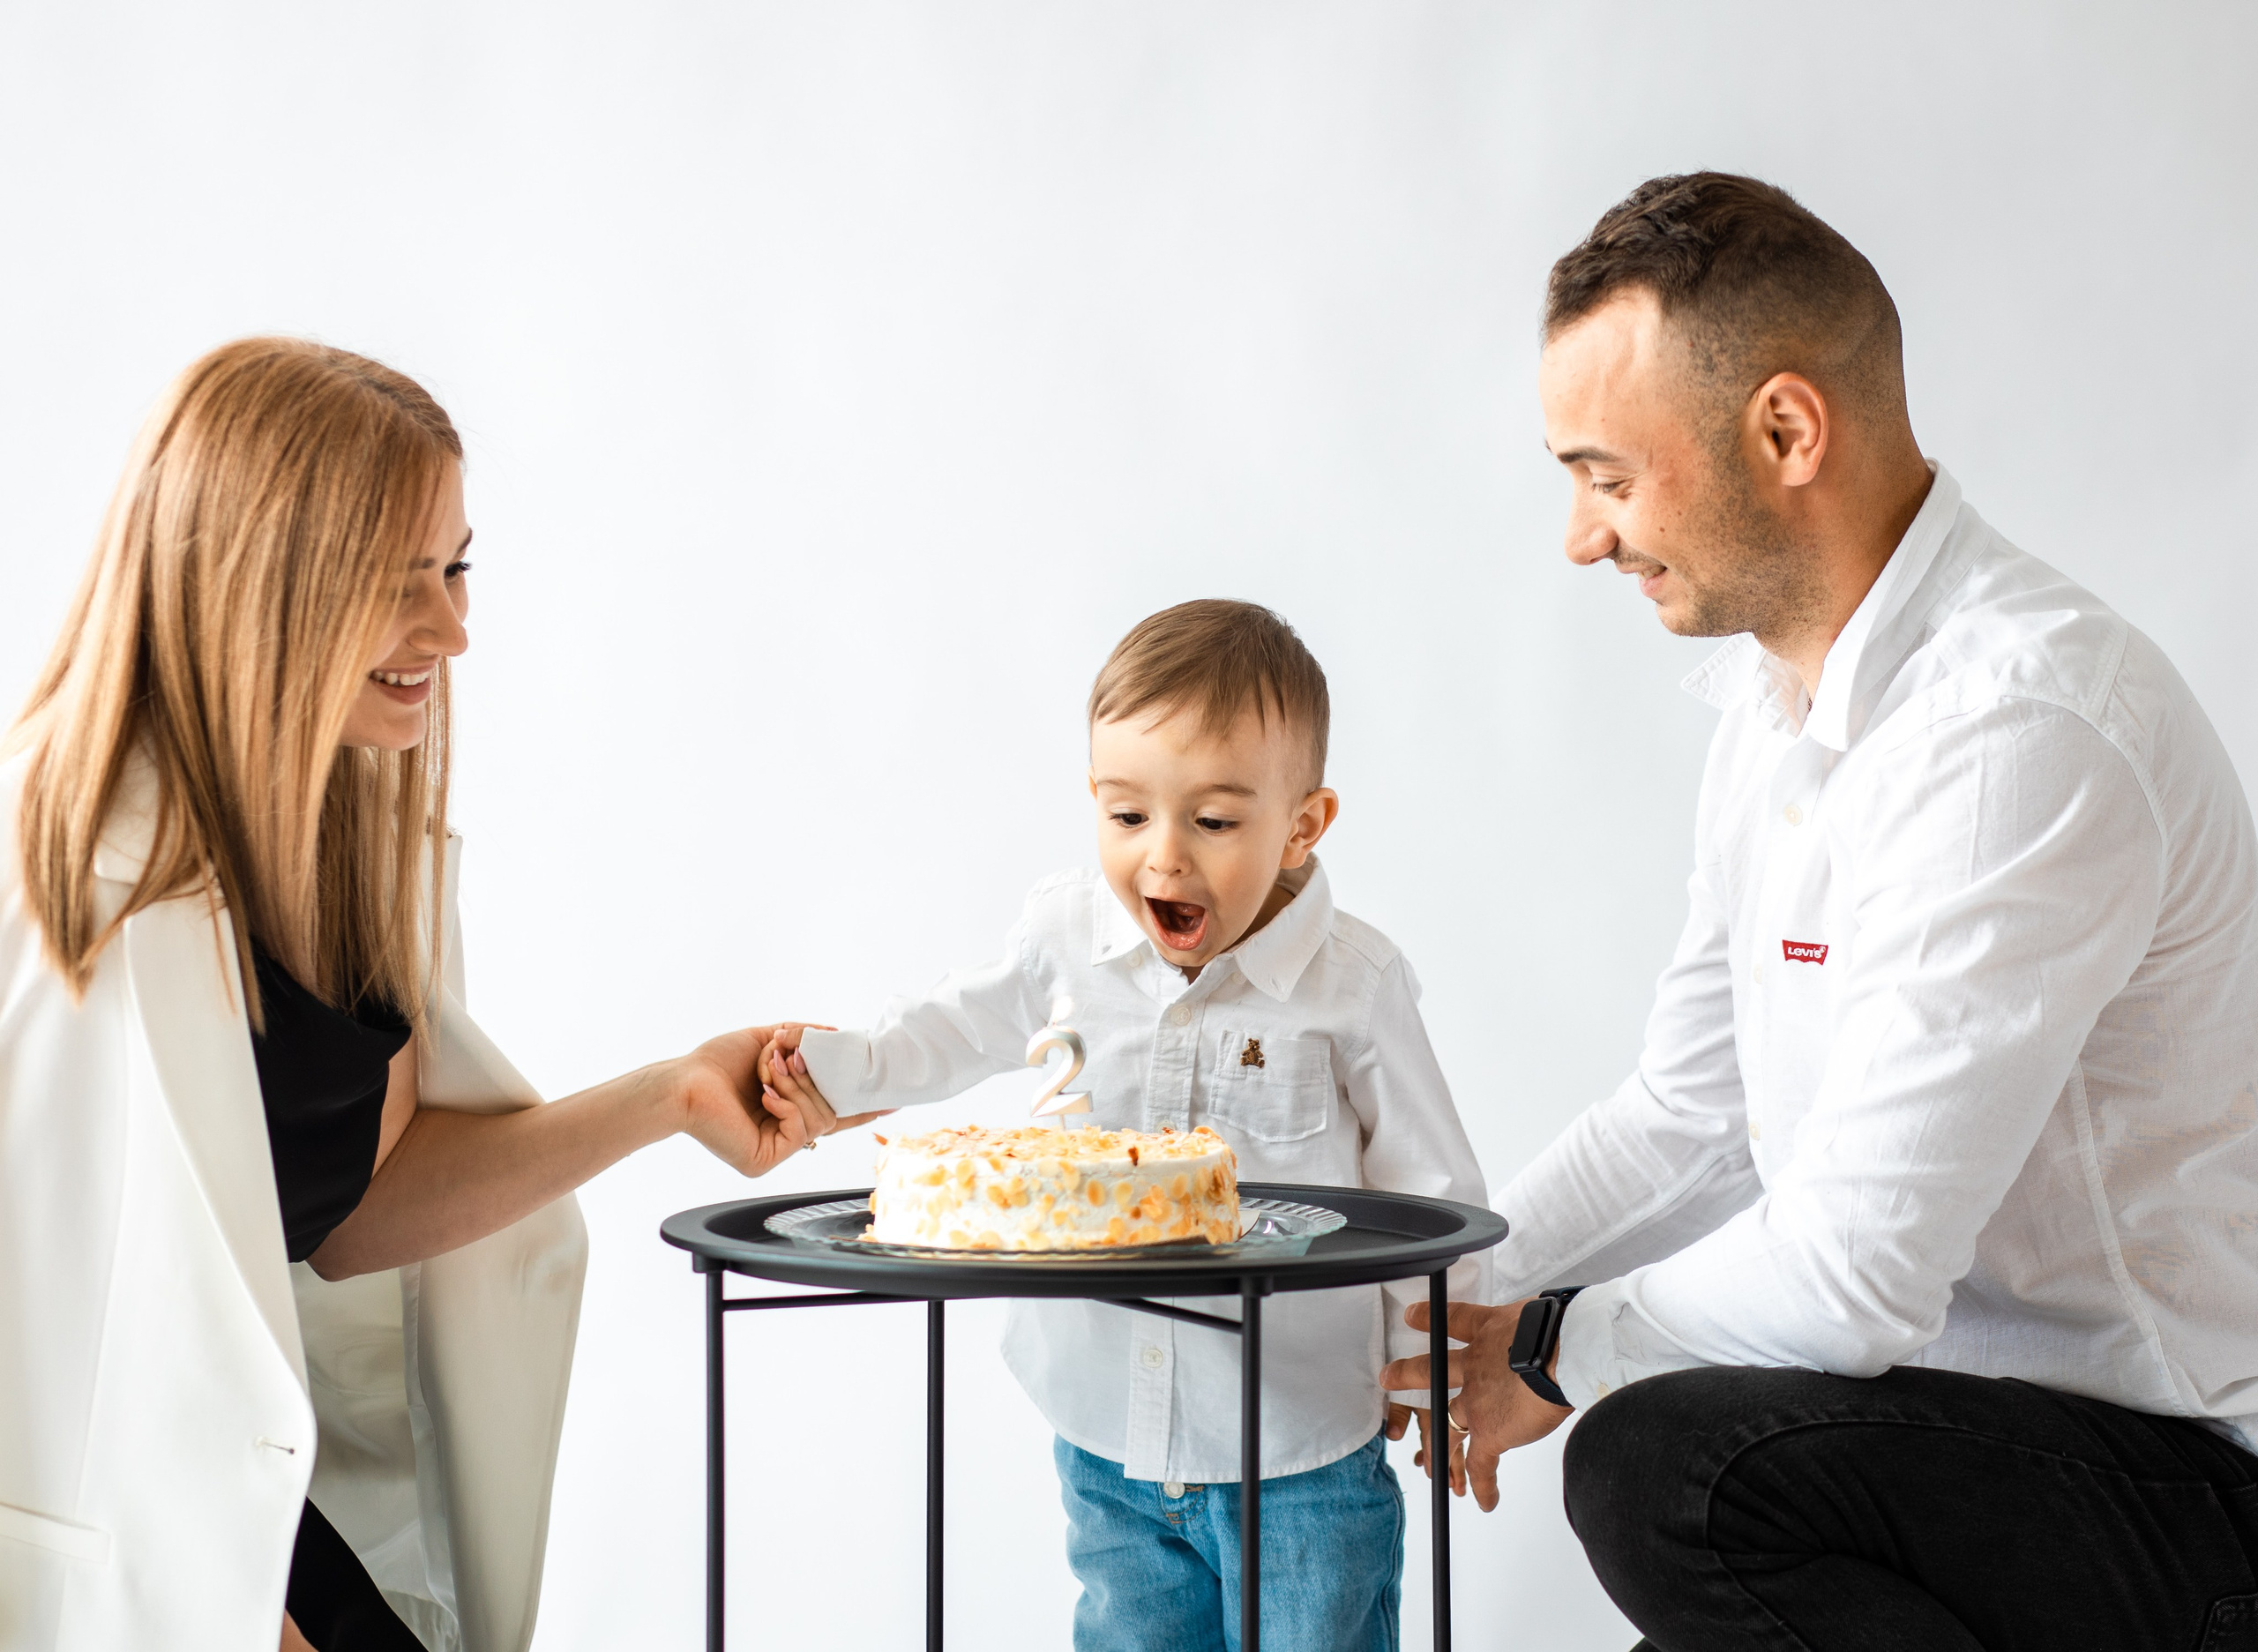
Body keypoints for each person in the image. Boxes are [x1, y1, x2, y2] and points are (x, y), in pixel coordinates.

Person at [1378, 171, 2258, 1650]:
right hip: (1939, 1468)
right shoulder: (1779, 709)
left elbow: (1854, 1277)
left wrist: (1546, 1345)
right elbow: (1693, 1114)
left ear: (1785, 430)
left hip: (2182, 1489)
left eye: (1608, 474)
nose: (1582, 537)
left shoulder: (2018, 726)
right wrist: (1426, 1286)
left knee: (1668, 1467)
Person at [0, 339, 869, 1652]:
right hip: (108, 1546)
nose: (454, 631)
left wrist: (671, 1097)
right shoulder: (62, 879)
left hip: (245, 1531)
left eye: (456, 568)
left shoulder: (346, 845)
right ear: (257, 584)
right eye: (397, 583)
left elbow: (362, 1202)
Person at [761, 599, 1488, 1652]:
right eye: (1126, 814)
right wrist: (836, 1071)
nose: (1163, 859)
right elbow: (957, 1024)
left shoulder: (1353, 986)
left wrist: (1436, 1372)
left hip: (1296, 1452)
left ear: (1302, 824)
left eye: (1214, 820)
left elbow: (1431, 1194)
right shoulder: (1066, 934)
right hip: (1103, 1433)